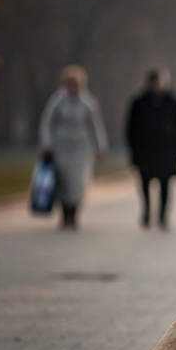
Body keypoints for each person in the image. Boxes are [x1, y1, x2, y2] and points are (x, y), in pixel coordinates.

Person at [39, 65, 108, 230]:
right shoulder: (57, 101)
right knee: (63, 182)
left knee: (78, 182)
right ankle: (65, 214)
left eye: (76, 84)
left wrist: (100, 147)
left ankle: (74, 214)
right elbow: (47, 123)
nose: (73, 88)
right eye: (70, 84)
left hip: (82, 148)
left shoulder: (88, 102)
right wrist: (46, 143)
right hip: (61, 147)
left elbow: (95, 126)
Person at [125, 68, 176, 229]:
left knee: (165, 184)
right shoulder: (139, 103)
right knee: (144, 183)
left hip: (167, 151)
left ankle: (162, 215)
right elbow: (130, 128)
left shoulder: (173, 102)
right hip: (145, 150)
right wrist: (133, 150)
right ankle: (146, 212)